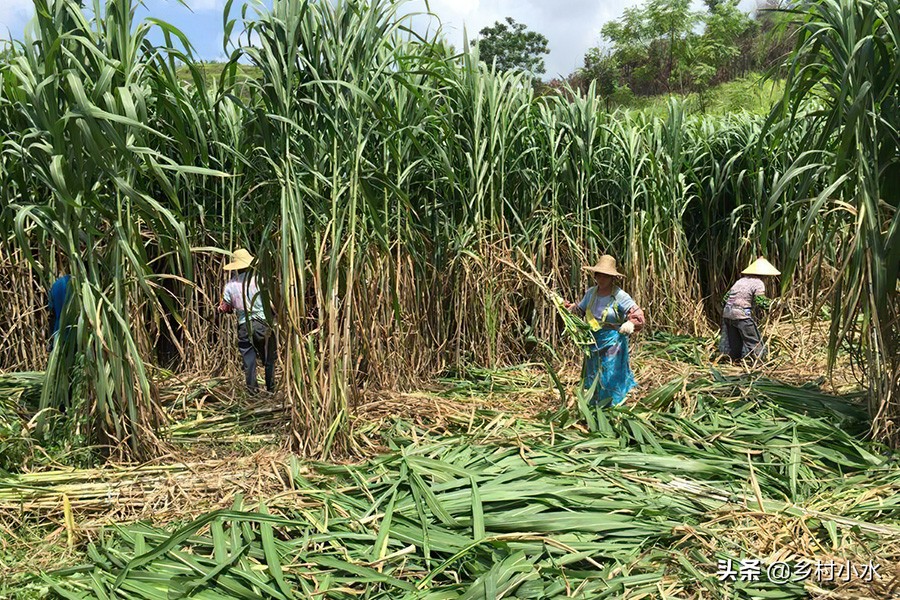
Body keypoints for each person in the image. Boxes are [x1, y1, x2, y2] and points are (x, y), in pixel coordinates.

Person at [563, 255, 646, 407]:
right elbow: (579, 310)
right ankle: (594, 403)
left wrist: (630, 323)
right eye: (599, 275)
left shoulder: (619, 295)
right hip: (593, 341)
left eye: (605, 275)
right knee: (594, 373)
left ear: (612, 277)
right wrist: (565, 307)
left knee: (609, 374)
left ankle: (612, 404)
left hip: (613, 342)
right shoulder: (591, 293)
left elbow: (639, 315)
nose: (601, 278)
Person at [218, 248, 276, 394]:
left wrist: (222, 309)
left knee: (248, 360)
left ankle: (253, 392)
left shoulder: (230, 285)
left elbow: (225, 307)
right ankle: (271, 389)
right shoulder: (260, 280)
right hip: (262, 323)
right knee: (269, 359)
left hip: (244, 325)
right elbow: (270, 302)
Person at [720, 257, 780, 363]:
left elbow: (725, 298)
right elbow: (760, 301)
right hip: (741, 315)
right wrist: (775, 304)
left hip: (728, 313)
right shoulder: (758, 283)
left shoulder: (740, 281)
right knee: (753, 340)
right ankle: (759, 362)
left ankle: (734, 362)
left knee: (735, 343)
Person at [47, 274, 71, 352]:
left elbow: (51, 311)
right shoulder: (84, 286)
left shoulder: (57, 284)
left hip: (58, 334)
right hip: (75, 335)